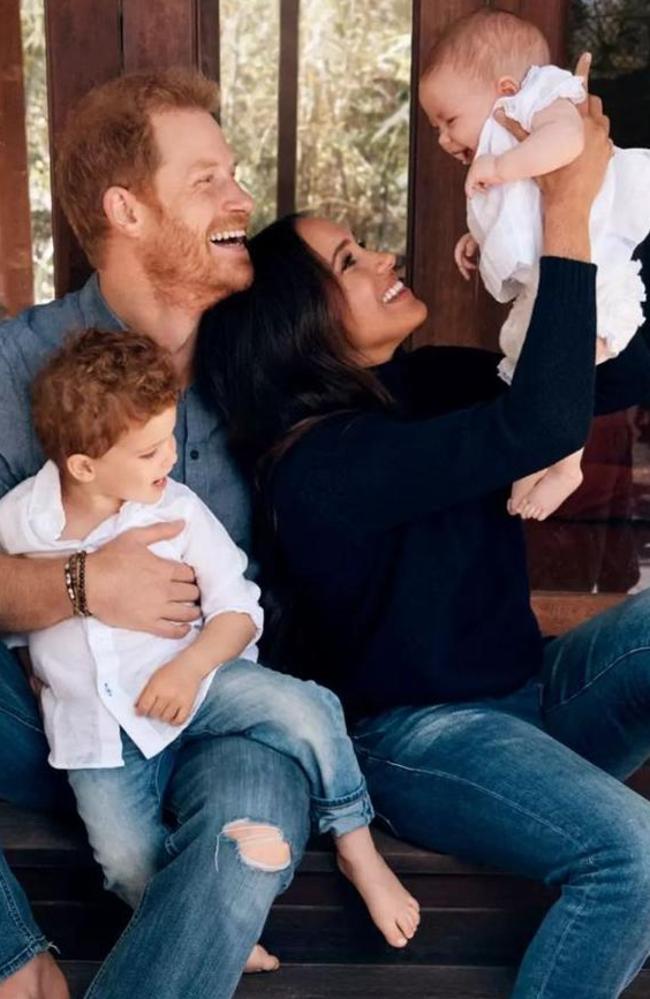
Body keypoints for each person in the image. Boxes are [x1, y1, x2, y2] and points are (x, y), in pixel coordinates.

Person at [197, 88, 650, 998]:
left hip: (532, 697)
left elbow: (610, 377)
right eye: (349, 260)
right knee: (629, 856)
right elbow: (538, 424)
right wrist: (559, 207)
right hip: (423, 738)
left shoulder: (428, 381)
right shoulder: (319, 464)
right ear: (298, 318)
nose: (384, 259)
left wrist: (592, 219)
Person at [0, 67, 314, 999]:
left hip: (220, 709)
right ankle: (15, 957)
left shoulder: (263, 357)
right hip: (54, 723)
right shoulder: (16, 364)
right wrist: (80, 585)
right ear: (125, 210)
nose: (242, 198)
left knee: (252, 827)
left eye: (234, 173)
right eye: (207, 177)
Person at [0, 326, 419, 949]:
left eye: (168, 438)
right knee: (121, 858)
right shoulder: (21, 520)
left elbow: (239, 610)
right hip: (97, 731)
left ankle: (356, 845)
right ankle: (196, 924)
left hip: (200, 681)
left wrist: (189, 668)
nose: (168, 459)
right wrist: (30, 656)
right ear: (84, 465)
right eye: (148, 452)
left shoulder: (177, 509)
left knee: (308, 709)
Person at [418, 9, 650, 522]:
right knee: (535, 374)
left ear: (504, 88)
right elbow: (521, 215)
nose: (442, 139)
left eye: (449, 120)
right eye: (435, 127)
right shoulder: (510, 140)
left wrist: (500, 166)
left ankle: (567, 467)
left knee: (564, 374)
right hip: (552, 284)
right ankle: (534, 462)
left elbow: (569, 143)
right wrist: (476, 239)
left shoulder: (544, 99)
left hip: (597, 277)